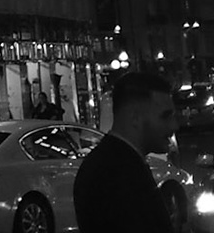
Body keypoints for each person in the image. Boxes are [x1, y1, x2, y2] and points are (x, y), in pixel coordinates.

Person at [73, 71, 177, 233]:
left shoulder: (113, 164)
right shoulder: (115, 174)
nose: (174, 126)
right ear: (135, 117)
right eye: (165, 116)